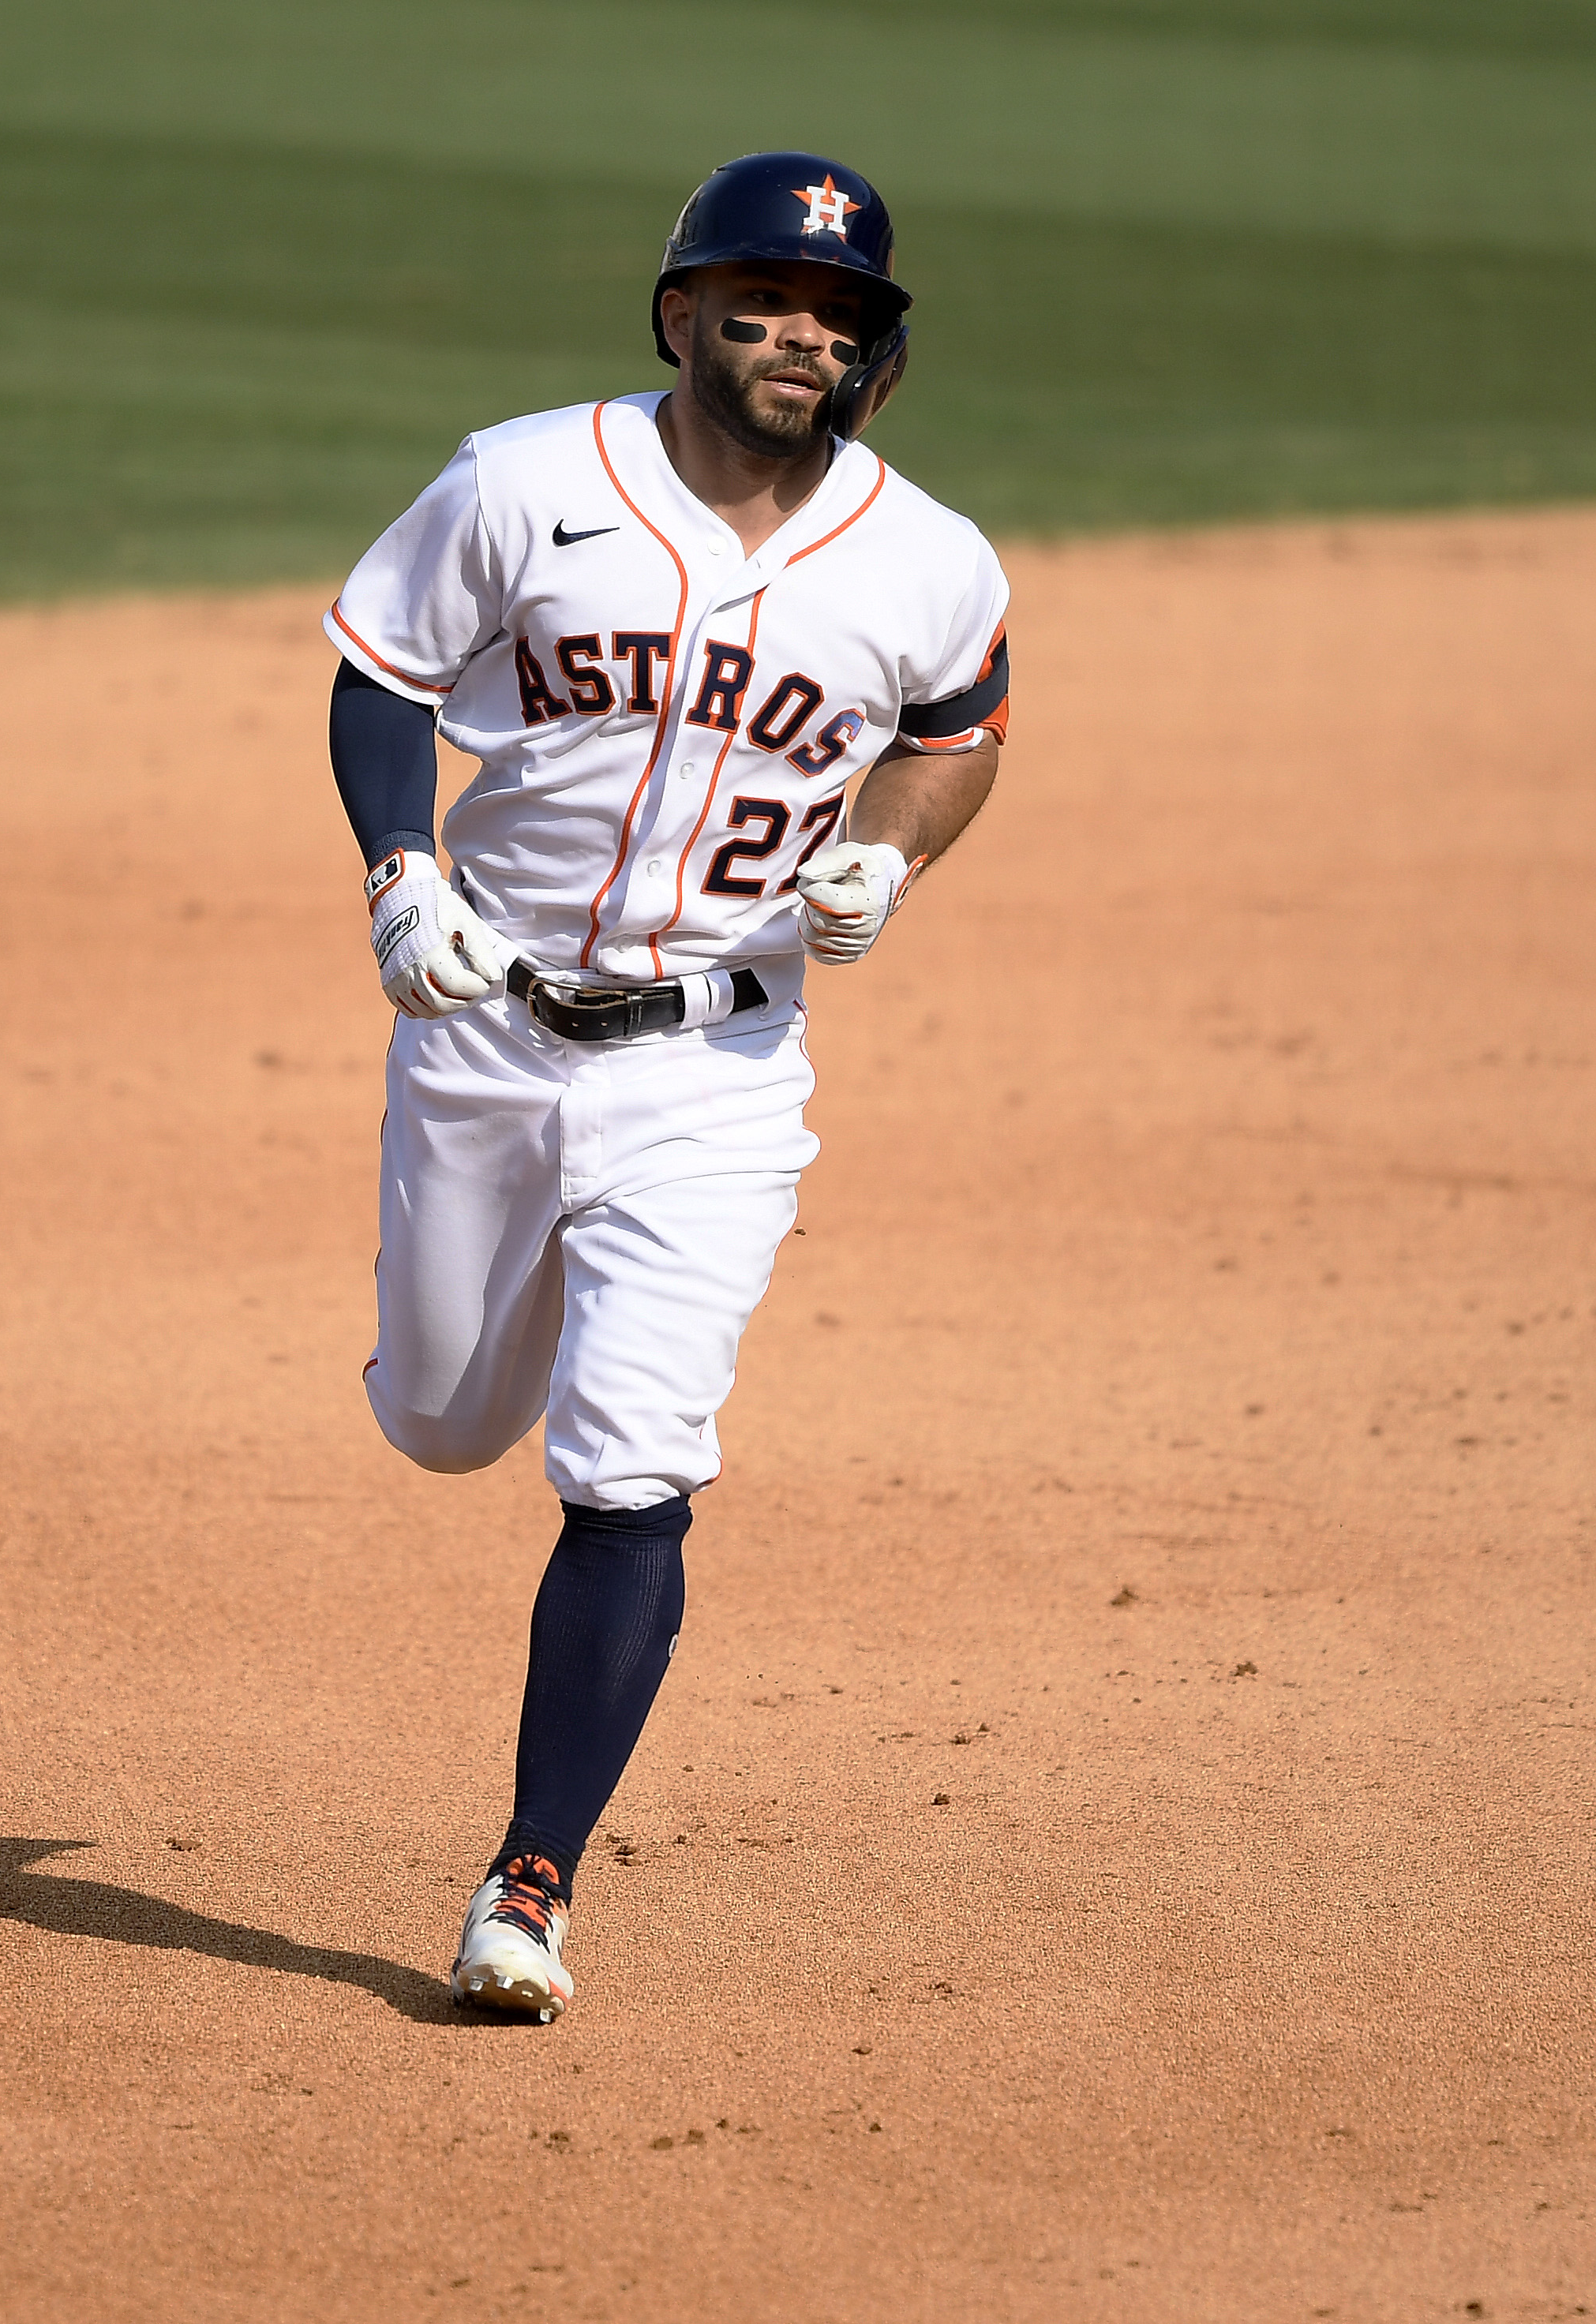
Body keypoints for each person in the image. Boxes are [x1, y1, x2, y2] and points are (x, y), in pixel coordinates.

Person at [323, 152, 1010, 2022]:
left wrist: (891, 854)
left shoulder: (925, 555)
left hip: (717, 1065)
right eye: (765, 302)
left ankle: (525, 1886)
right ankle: (478, 1327)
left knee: (630, 1468)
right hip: (483, 1019)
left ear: (876, 353)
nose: (803, 335)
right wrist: (401, 872)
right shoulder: (527, 480)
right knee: (447, 1424)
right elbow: (382, 670)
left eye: (841, 316)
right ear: (680, 315)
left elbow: (958, 731)